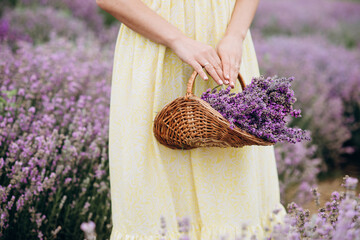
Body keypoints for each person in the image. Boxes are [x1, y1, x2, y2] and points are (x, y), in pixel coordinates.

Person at [96, 0, 287, 239]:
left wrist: (235, 36)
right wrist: (178, 40)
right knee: (161, 174)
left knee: (230, 172)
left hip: (225, 46)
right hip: (157, 48)